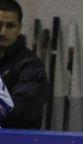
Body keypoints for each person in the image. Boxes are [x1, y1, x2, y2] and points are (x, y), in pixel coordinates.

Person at [0, 0, 48, 129]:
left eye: (10, 26)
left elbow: (20, 112)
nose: (3, 32)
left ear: (19, 28)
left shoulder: (31, 66)